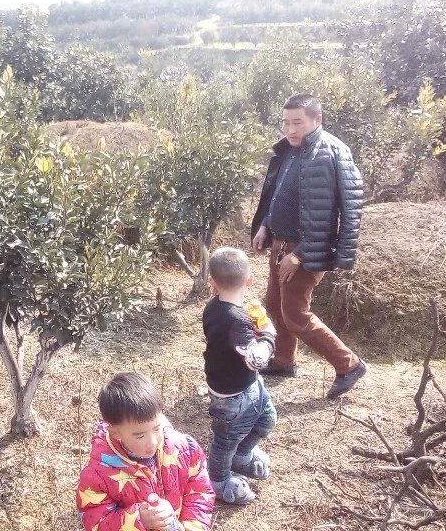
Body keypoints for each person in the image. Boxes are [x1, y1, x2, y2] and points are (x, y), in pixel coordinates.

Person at [252, 93, 366, 399]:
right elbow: (278, 194)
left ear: (317, 120)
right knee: (275, 305)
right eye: (285, 122)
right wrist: (265, 225)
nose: (290, 129)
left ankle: (349, 365)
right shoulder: (290, 149)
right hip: (280, 244)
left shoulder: (329, 153)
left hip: (303, 251)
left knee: (295, 315)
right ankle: (283, 361)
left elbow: (327, 215)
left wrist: (299, 255)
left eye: (297, 123)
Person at [76, 371, 214, 531]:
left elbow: (199, 491)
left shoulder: (183, 450)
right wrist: (138, 520)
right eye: (139, 435)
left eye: (157, 428)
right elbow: (95, 520)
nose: (153, 442)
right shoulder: (98, 475)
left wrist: (192, 526)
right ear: (115, 432)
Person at [202, 247, 277, 505]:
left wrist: (252, 328)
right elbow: (256, 359)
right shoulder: (236, 320)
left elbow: (236, 344)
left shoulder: (215, 308)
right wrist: (267, 333)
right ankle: (218, 481)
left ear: (212, 282)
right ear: (250, 280)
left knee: (267, 418)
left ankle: (242, 456)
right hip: (232, 396)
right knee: (225, 441)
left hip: (248, 385)